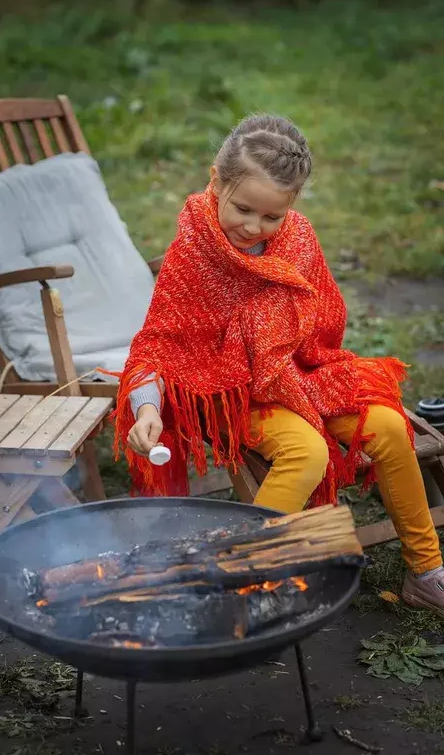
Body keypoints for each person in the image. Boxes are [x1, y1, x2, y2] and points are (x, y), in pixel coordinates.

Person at [113, 114, 443, 617]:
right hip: (230, 391)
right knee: (307, 452)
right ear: (217, 181)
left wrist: (278, 340)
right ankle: (253, 583)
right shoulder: (193, 253)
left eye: (270, 217)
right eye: (243, 209)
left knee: (389, 428)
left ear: (291, 206)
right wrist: (146, 407)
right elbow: (158, 341)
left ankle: (426, 571)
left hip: (300, 376)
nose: (253, 227)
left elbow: (322, 319)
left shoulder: (299, 239)